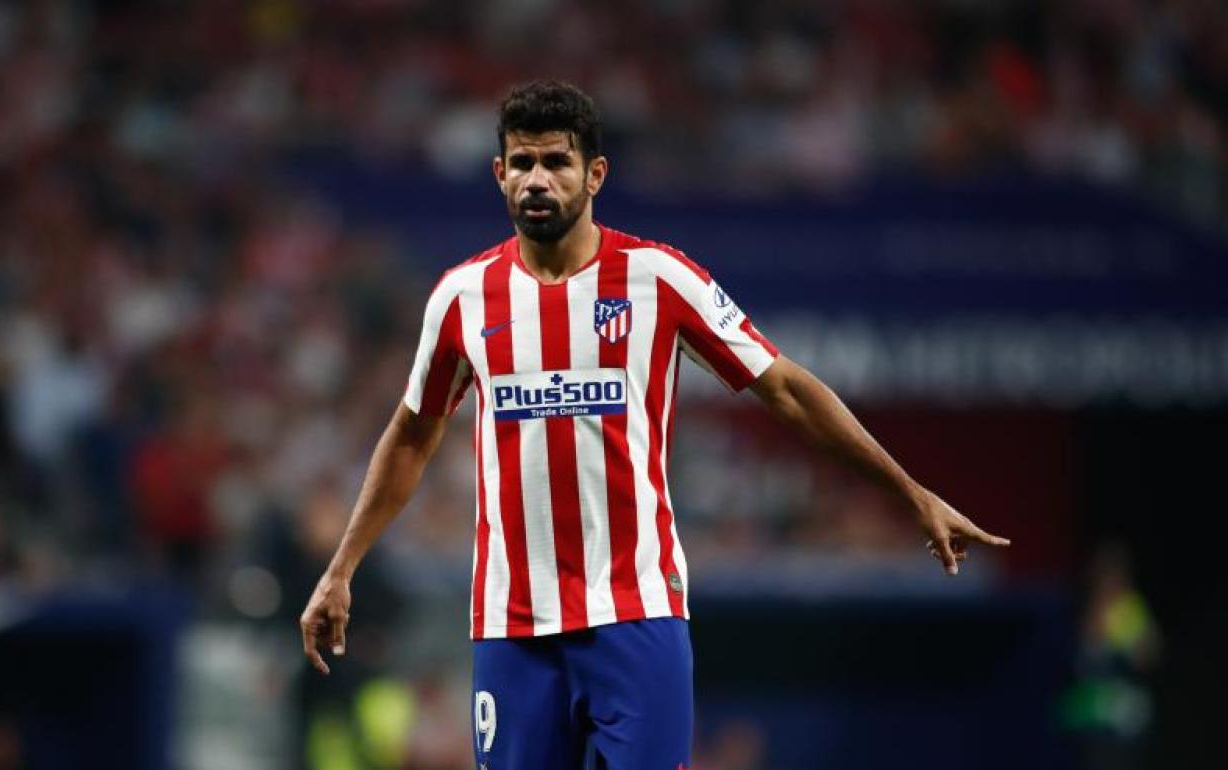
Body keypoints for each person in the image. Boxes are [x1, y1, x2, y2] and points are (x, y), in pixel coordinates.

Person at [300, 80, 1010, 770]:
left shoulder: (659, 278)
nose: (536, 180)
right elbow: (412, 433)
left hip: (636, 616)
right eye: (522, 163)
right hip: (511, 626)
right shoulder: (461, 297)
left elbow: (786, 389)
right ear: (498, 173)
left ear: (595, 173)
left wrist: (909, 491)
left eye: (556, 161)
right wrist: (341, 568)